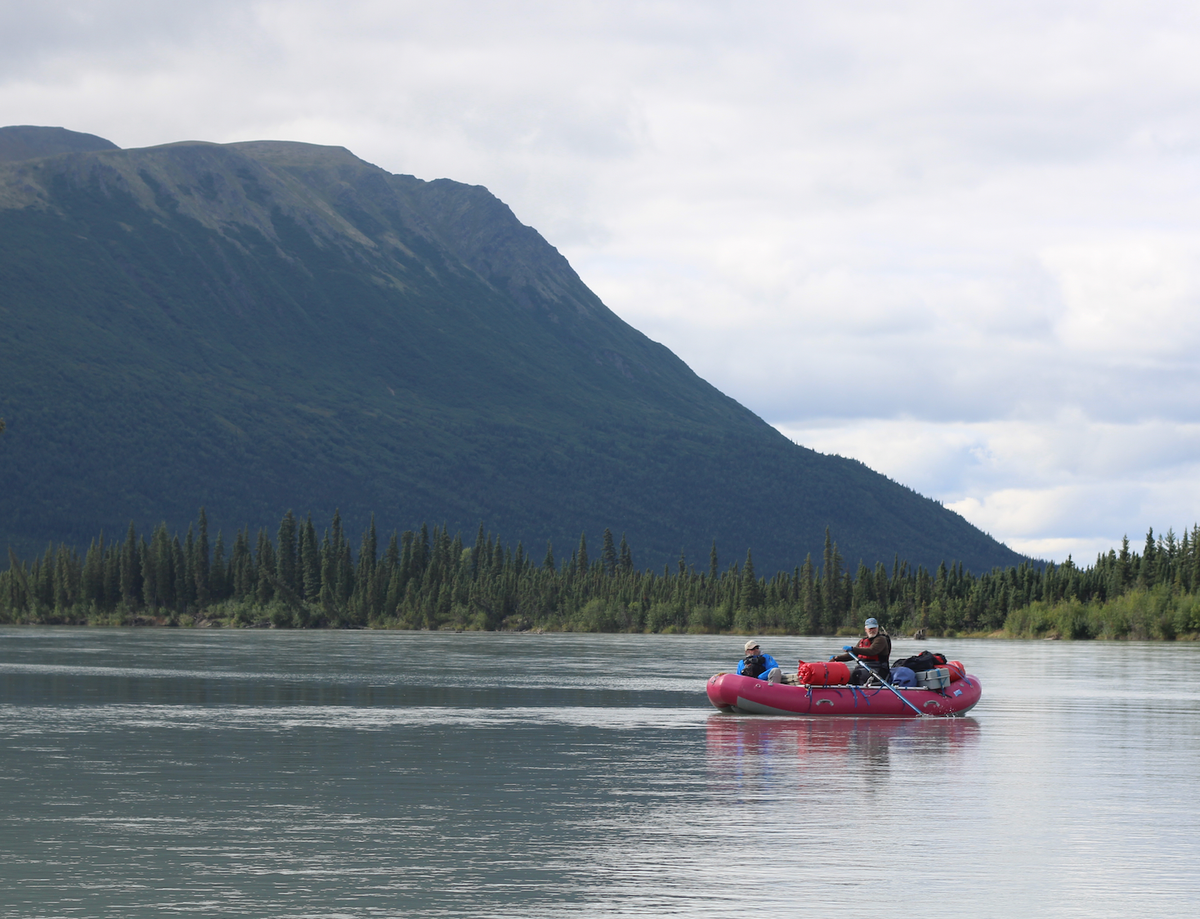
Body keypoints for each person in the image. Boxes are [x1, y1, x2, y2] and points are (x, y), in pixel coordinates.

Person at [832, 618, 891, 686]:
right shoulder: (862, 641)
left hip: (878, 669)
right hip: (862, 667)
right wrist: (836, 658)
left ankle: (861, 690)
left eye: (874, 628)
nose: (872, 630)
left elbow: (871, 651)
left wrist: (853, 648)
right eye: (870, 628)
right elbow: (853, 654)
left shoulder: (881, 639)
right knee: (846, 674)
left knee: (858, 674)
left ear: (877, 628)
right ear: (866, 629)